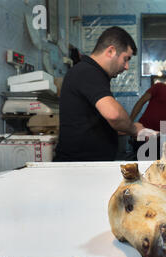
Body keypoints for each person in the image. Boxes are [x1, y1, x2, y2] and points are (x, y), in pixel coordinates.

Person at [54, 26, 145, 162]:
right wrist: (134, 129)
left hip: (87, 165)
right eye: (126, 59)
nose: (126, 67)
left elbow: (93, 123)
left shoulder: (92, 73)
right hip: (78, 168)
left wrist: (125, 129)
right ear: (111, 51)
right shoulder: (88, 72)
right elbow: (114, 114)